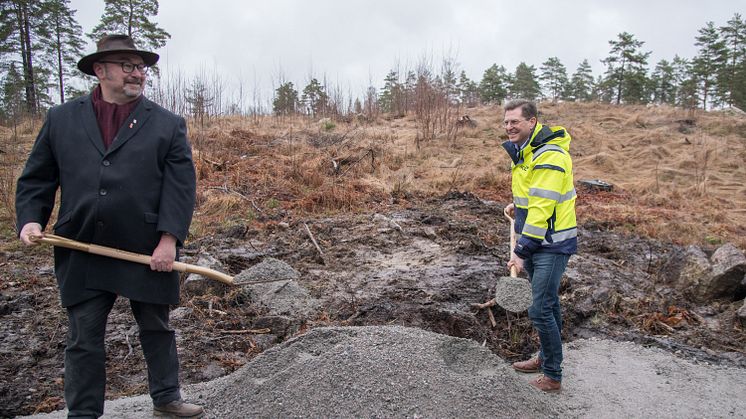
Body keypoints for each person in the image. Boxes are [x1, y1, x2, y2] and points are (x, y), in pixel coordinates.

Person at [15, 34, 202, 418]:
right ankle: (83, 413)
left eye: (141, 67)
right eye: (127, 66)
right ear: (100, 70)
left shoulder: (167, 124)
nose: (137, 74)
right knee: (83, 336)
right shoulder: (61, 119)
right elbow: (37, 178)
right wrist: (31, 219)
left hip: (145, 246)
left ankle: (166, 399)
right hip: (81, 244)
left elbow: (181, 188)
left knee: (156, 325)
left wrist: (168, 240)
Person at [501, 99, 577, 393]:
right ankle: (545, 358)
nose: (509, 127)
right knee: (549, 303)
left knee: (539, 308)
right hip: (536, 240)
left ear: (532, 122)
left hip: (551, 244)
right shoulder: (526, 151)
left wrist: (520, 252)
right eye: (506, 122)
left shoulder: (550, 156)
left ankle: (553, 375)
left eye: (515, 122)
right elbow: (534, 197)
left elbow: (543, 209)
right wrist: (518, 207)